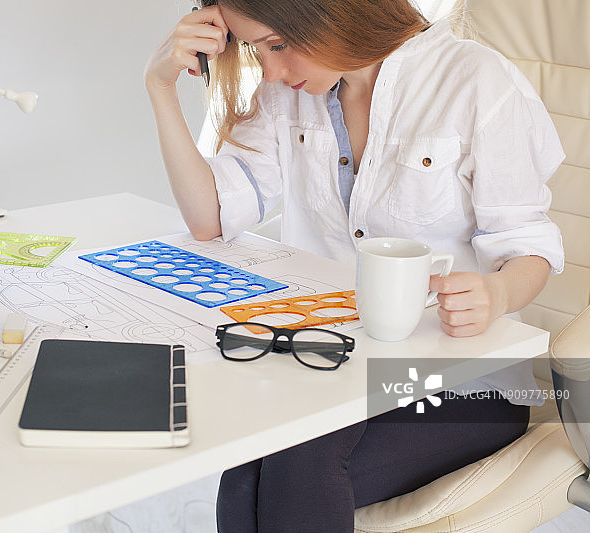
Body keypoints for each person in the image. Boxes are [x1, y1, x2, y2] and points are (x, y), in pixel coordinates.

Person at [145, 1, 564, 531]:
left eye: (277, 45)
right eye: (255, 49)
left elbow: (528, 246)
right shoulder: (286, 94)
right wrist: (160, 90)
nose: (271, 70)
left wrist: (497, 294)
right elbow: (210, 217)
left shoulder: (476, 81)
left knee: (294, 465)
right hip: (336, 364)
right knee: (246, 471)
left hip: (465, 385)